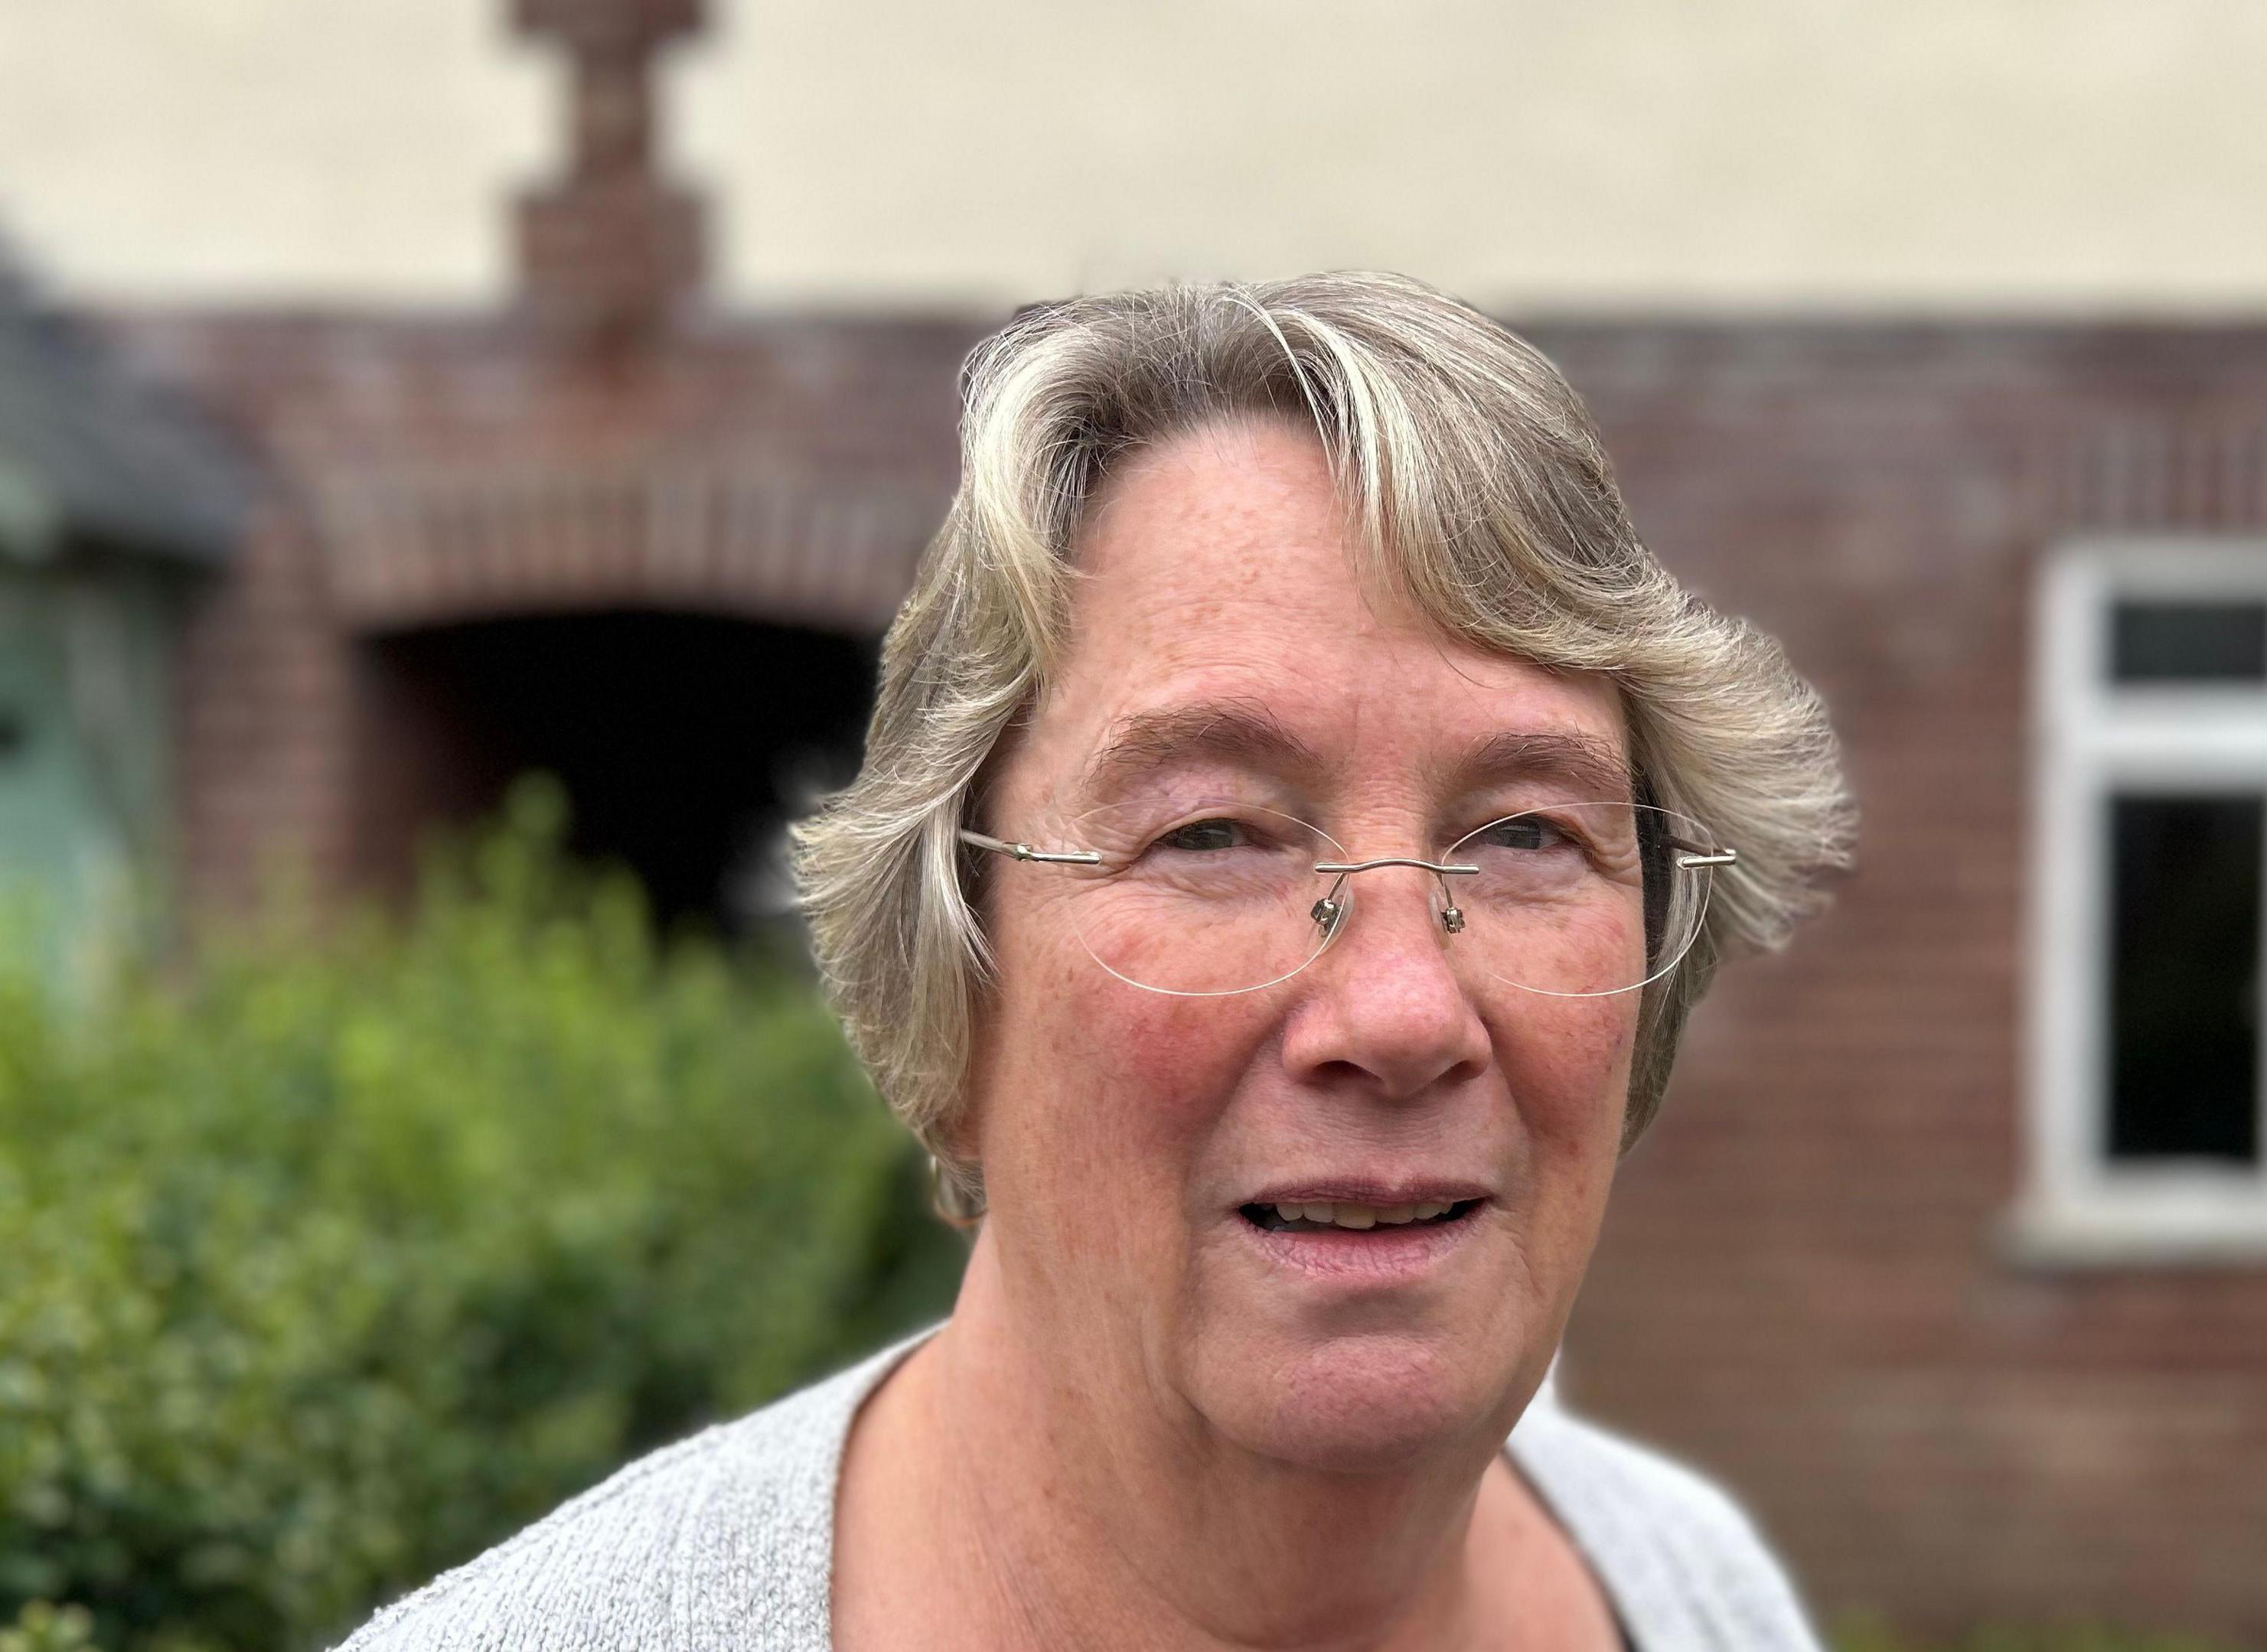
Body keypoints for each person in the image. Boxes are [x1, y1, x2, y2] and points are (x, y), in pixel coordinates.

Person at [338, 272, 1854, 1650]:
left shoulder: (1688, 1593)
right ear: (954, 975)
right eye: (1211, 836)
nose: (1400, 1010)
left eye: (1525, 835)